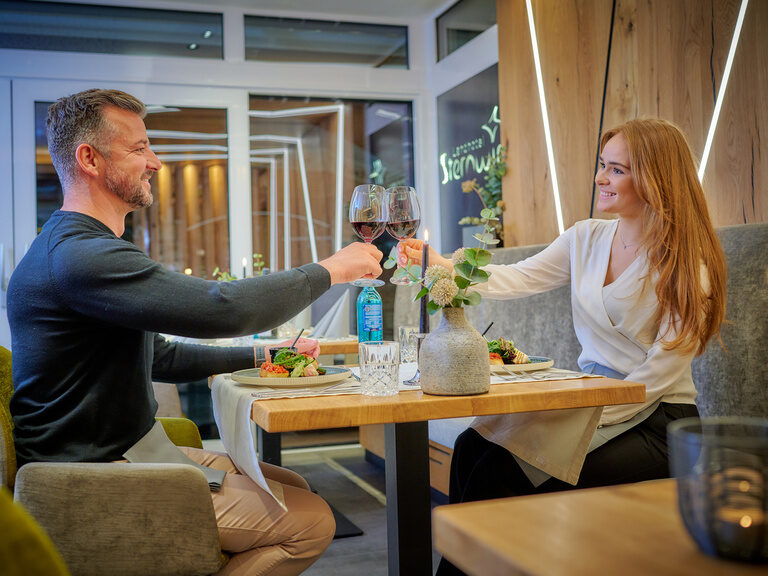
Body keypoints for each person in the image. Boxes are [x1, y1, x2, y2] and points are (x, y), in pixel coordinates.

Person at [8, 88, 383, 576]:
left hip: (127, 450)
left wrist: (262, 355)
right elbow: (220, 308)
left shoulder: (85, 247)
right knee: (310, 522)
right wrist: (330, 269)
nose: (155, 162)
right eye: (139, 148)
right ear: (89, 159)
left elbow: (159, 358)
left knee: (295, 485)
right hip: (90, 475)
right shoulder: (79, 256)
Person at [399, 118, 726, 576]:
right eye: (602, 165)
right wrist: (437, 263)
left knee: (505, 474)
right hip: (592, 399)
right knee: (473, 446)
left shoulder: (686, 265)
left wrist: (577, 409)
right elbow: (518, 277)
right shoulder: (586, 237)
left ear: (655, 180)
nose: (600, 178)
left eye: (617, 169)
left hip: (656, 419)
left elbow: (658, 378)